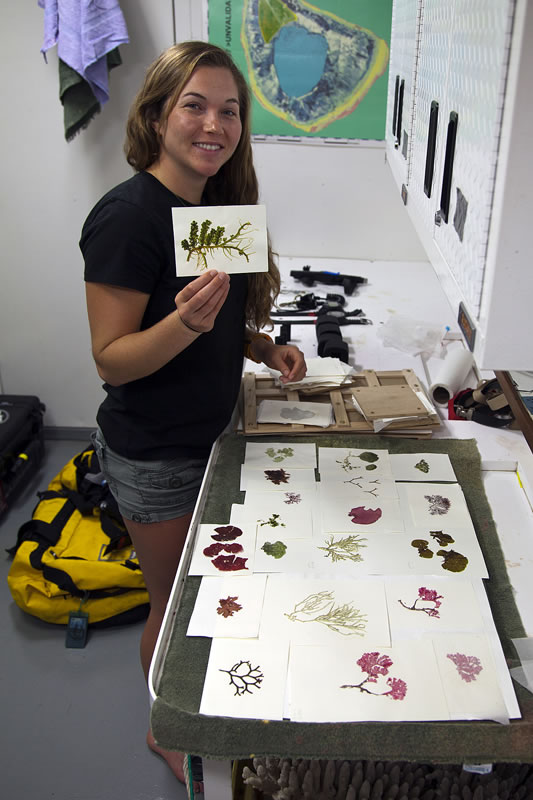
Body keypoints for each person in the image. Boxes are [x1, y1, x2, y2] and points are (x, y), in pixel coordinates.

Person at [80, 40, 306, 787]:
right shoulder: (128, 217)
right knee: (174, 604)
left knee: (208, 590)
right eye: (194, 106)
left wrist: (261, 347)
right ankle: (164, 728)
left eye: (229, 111)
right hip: (156, 454)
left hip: (213, 436)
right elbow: (112, 357)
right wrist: (186, 325)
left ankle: (199, 706)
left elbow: (218, 317)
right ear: (156, 114)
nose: (214, 124)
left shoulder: (213, 206)